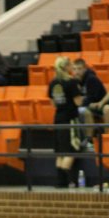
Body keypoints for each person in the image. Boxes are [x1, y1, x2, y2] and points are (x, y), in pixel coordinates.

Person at [48, 56, 83, 187]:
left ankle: (59, 180)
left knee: (61, 151)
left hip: (58, 118)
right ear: (67, 67)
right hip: (70, 119)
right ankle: (66, 179)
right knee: (71, 150)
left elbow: (53, 103)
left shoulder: (53, 83)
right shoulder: (72, 82)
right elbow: (78, 102)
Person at [72, 57, 107, 150]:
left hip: (100, 106)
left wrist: (80, 101)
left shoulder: (91, 79)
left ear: (85, 68)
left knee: (82, 111)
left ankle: (89, 141)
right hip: (88, 104)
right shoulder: (76, 81)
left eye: (79, 69)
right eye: (74, 69)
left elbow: (92, 98)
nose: (77, 71)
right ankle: (77, 140)